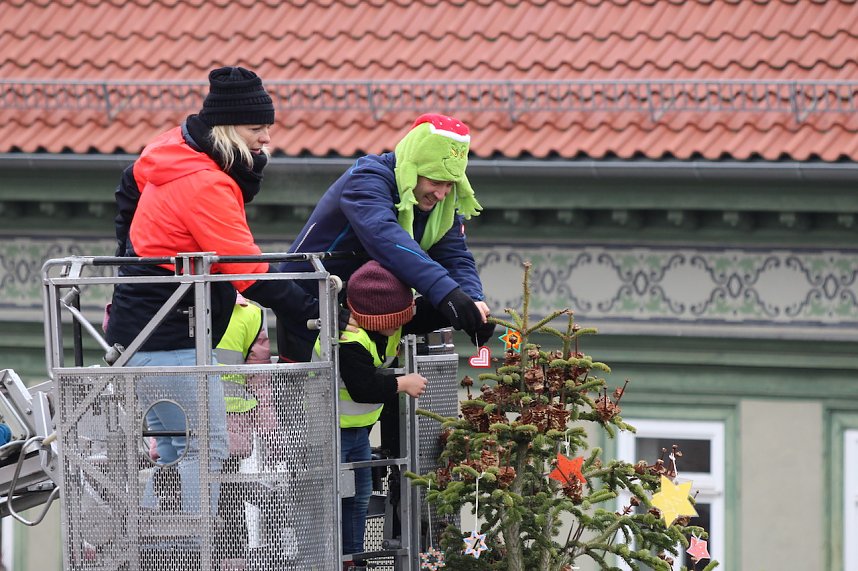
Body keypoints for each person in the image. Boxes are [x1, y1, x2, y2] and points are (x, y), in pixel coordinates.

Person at [106, 65, 320, 516]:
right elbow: (248, 268)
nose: (266, 139)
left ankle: (155, 543)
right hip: (167, 336)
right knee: (207, 444)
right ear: (225, 129)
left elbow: (130, 184)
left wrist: (127, 255)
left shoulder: (173, 151)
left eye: (268, 128)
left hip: (146, 330)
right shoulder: (205, 183)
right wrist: (309, 305)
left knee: (178, 446)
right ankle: (192, 545)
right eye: (255, 128)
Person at [278, 113, 496, 363]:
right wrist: (447, 292)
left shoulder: (440, 203)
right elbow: (387, 240)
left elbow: (455, 256)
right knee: (315, 397)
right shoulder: (366, 179)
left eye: (450, 184)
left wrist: (471, 301)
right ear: (412, 166)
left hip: (374, 310)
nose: (441, 194)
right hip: (310, 305)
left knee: (378, 393)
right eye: (436, 181)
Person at [318, 261, 449, 569]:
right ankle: (338, 560)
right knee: (333, 502)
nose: (403, 323)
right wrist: (404, 383)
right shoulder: (349, 340)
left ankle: (353, 560)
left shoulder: (388, 326)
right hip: (328, 432)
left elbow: (430, 314)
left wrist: (456, 296)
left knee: (359, 498)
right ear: (376, 317)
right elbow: (363, 387)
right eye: (397, 317)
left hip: (357, 431)